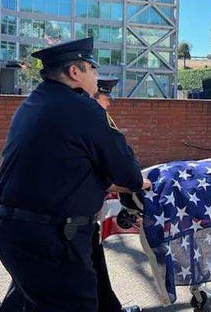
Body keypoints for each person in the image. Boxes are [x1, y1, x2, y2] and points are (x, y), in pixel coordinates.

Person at [0, 37, 150, 312]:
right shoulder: (82, 109)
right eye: (93, 69)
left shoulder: (35, 102)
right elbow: (126, 171)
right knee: (74, 303)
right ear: (76, 72)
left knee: (33, 301)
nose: (97, 77)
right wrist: (136, 181)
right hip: (50, 234)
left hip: (14, 227)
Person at [90, 78, 142, 312]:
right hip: (58, 220)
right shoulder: (94, 119)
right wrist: (135, 184)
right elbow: (120, 169)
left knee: (95, 264)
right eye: (106, 97)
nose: (110, 103)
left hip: (43, 215)